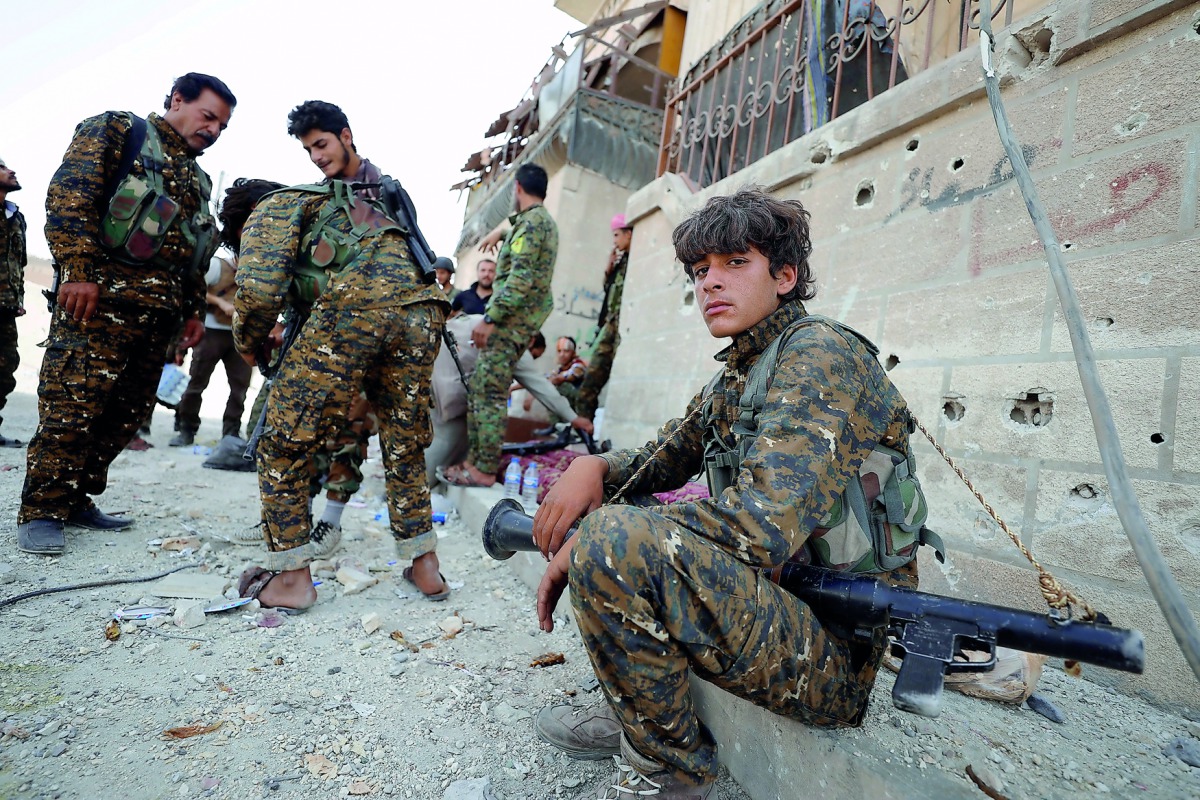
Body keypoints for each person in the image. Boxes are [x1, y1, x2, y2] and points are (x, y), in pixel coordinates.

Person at [530, 188, 931, 799]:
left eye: (735, 263)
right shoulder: (743, 369)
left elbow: (763, 526)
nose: (710, 282)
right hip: (775, 603)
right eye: (700, 271)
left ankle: (671, 767)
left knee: (616, 538)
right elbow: (664, 458)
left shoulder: (819, 354)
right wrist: (597, 467)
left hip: (833, 648)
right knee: (622, 513)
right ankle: (639, 708)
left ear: (785, 277)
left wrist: (594, 540)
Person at [232, 100, 450, 611]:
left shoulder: (275, 207)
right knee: (403, 442)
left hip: (358, 310)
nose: (314, 158)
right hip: (422, 312)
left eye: (321, 145)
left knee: (281, 442)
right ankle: (425, 566)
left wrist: (248, 343)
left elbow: (258, 293)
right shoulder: (351, 202)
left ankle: (291, 580)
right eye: (307, 150)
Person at [18, 73, 235, 555]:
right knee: (72, 407)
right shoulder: (121, 131)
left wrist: (192, 311)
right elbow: (70, 196)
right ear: (177, 100)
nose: (213, 131)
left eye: (222, 126)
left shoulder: (196, 179)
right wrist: (77, 270)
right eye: (208, 117)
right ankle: (42, 510)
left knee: (125, 414)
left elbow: (191, 251)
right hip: (99, 302)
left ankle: (76, 498)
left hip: (158, 317)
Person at [443, 164, 557, 488]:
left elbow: (520, 278)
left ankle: (483, 469)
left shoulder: (532, 225)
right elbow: (524, 246)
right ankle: (475, 462)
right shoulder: (535, 223)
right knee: (481, 389)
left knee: (489, 394)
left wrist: (490, 318)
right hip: (513, 322)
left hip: (509, 324)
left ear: (517, 188)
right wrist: (503, 232)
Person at [169, 179, 278, 447]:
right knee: (197, 383)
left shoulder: (264, 268)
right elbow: (198, 289)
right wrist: (220, 303)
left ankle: (231, 433)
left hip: (240, 335)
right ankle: (186, 429)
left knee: (239, 389)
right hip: (212, 332)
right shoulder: (219, 266)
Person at [427, 322, 592, 486]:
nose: (530, 360)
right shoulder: (510, 343)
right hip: (443, 391)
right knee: (440, 450)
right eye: (534, 355)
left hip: (431, 376)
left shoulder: (480, 323)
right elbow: (540, 385)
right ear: (530, 342)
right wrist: (574, 418)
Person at [574, 213, 632, 421]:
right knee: (591, 377)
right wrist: (609, 270)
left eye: (617, 235)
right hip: (610, 324)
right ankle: (583, 425)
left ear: (628, 234)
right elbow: (609, 291)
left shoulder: (637, 259)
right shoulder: (620, 261)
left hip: (624, 325)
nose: (614, 241)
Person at [0, 158, 27, 448]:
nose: (11, 171)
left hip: (6, 308)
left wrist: (17, 298)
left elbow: (18, 263)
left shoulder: (16, 217)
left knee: (5, 371)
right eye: (2, 167)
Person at [546, 335, 587, 403]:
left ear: (573, 353)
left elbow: (564, 377)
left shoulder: (579, 366)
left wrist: (553, 379)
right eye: (559, 351)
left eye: (566, 351)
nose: (562, 355)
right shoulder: (561, 369)